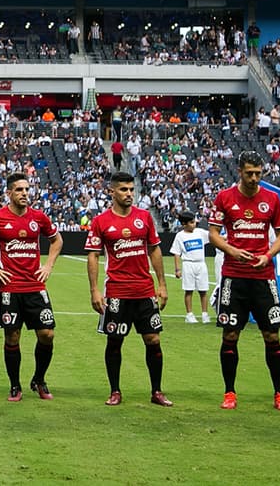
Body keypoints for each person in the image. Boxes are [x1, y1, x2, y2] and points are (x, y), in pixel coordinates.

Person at [0, 172, 63, 402]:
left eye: (27, 190)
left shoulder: (38, 217)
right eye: (19, 190)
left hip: (35, 286)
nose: (24, 194)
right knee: (12, 337)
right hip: (8, 288)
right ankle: (15, 385)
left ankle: (39, 379)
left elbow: (56, 239)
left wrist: (48, 264)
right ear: (8, 193)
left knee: (47, 334)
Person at [208, 151, 280, 411]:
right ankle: (229, 392)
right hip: (234, 277)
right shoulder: (224, 197)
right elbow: (213, 234)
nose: (255, 178)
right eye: (249, 173)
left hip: (263, 278)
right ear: (239, 171)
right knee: (230, 334)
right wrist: (232, 251)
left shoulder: (272, 199)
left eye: (258, 173)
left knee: (272, 336)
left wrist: (268, 255)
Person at [86, 172, 171, 407]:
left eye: (131, 190)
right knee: (115, 341)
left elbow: (154, 250)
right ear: (111, 192)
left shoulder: (144, 217)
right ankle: (115, 391)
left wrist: (162, 284)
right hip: (116, 292)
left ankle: (156, 391)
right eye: (124, 190)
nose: (129, 194)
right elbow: (92, 256)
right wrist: (94, 290)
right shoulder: (101, 221)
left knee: (153, 339)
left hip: (144, 291)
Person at [170, 212, 211, 323]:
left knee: (203, 290)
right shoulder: (180, 236)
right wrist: (177, 269)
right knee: (189, 290)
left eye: (194, 222)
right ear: (184, 224)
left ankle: (205, 314)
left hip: (201, 264)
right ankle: (189, 314)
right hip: (188, 264)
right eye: (191, 222)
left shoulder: (200, 233)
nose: (194, 224)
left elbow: (213, 237)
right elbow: (176, 253)